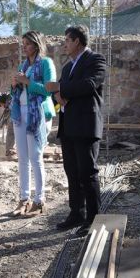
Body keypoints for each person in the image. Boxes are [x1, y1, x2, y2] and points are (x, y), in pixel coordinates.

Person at [45, 25, 106, 231]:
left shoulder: (95, 60)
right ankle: (76, 213)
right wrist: (57, 94)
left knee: (87, 172)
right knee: (71, 171)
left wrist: (59, 89)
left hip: (86, 125)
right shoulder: (68, 67)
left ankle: (94, 219)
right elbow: (58, 90)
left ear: (77, 41)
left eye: (67, 41)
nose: (65, 44)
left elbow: (89, 85)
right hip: (68, 124)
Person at [10, 31, 56, 217]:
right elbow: (21, 87)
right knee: (22, 157)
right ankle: (24, 198)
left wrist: (27, 81)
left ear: (37, 45)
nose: (24, 47)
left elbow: (48, 89)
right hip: (20, 113)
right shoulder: (24, 64)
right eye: (23, 43)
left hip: (36, 114)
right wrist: (15, 84)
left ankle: (39, 199)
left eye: (28, 44)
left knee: (35, 157)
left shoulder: (46, 63)